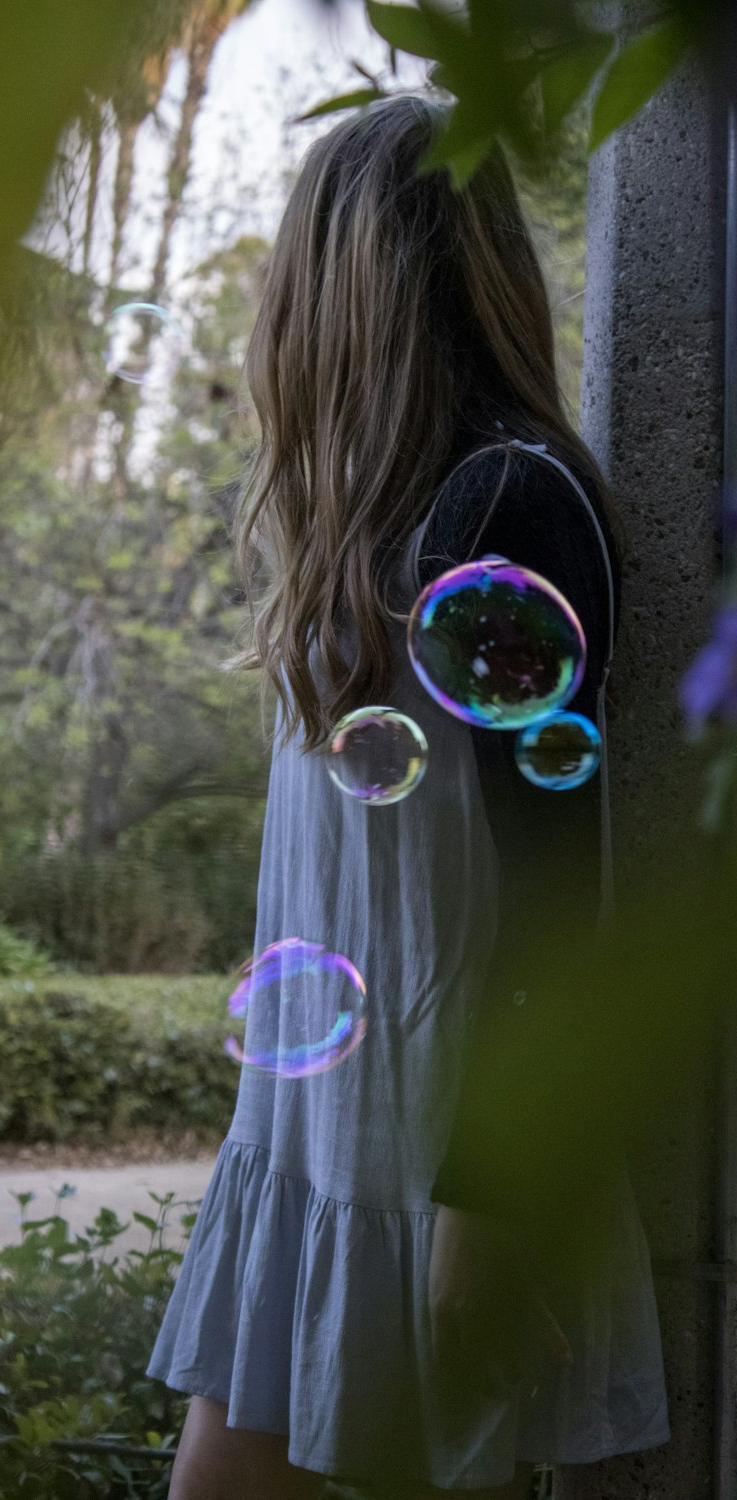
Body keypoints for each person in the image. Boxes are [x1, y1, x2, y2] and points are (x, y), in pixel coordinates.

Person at [146, 93, 669, 1499]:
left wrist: (486, 1214)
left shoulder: (504, 504)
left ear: (350, 283)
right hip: (328, 1163)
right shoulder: (396, 520)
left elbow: (558, 898)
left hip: (440, 1184)